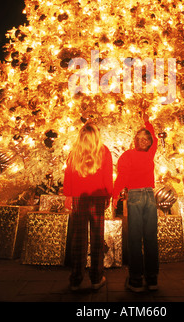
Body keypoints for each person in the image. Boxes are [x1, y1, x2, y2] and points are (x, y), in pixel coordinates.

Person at [63, 123, 113, 291]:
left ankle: (76, 280)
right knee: (97, 239)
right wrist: (109, 195)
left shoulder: (73, 153)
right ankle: (96, 278)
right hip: (97, 198)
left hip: (79, 198)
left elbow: (68, 175)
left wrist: (68, 196)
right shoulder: (104, 151)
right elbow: (107, 177)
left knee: (78, 239)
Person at [113, 113, 159, 292]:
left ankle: (136, 280)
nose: (144, 141)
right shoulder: (150, 154)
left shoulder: (127, 155)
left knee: (134, 238)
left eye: (144, 139)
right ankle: (152, 279)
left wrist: (115, 194)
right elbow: (154, 138)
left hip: (135, 197)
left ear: (135, 141)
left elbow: (122, 177)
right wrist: (147, 121)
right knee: (150, 238)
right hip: (149, 196)